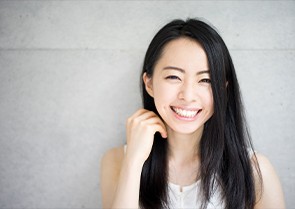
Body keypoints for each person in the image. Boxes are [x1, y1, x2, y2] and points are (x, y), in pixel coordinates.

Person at [100, 18, 285, 209]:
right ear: (149, 83)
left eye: (205, 80)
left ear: (223, 89)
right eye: (174, 77)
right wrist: (133, 161)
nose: (188, 96)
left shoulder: (255, 171)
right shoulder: (117, 161)